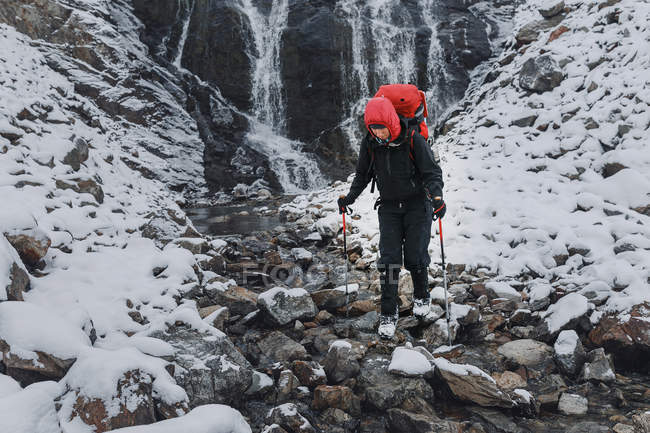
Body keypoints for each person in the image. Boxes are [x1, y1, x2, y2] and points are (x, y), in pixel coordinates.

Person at [337, 96, 446, 339]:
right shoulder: (371, 143)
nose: (378, 134)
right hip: (388, 207)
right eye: (373, 129)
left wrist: (437, 198)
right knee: (388, 259)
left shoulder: (414, 140)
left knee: (416, 255)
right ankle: (389, 312)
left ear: (392, 124)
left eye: (381, 129)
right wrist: (349, 198)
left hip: (418, 205)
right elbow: (362, 175)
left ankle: (421, 297)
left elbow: (431, 174)